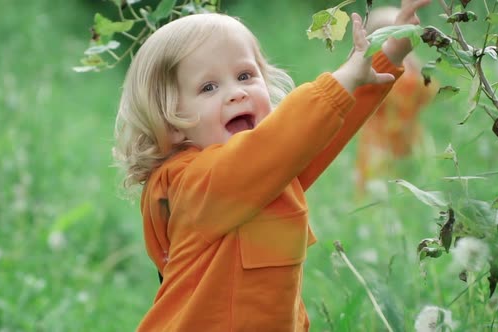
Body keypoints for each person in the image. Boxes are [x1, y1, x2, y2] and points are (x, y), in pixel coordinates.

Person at [113, 0, 430, 330]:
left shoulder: (271, 169)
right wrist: (340, 81)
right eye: (208, 87)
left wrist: (388, 54)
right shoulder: (189, 183)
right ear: (172, 122)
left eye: (245, 75)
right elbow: (268, 150)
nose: (236, 93)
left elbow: (325, 128)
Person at [356, 6, 438, 196]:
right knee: (377, 189)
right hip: (380, 143)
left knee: (406, 188)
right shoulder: (375, 73)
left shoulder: (413, 72)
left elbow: (428, 94)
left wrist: (414, 69)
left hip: (407, 140)